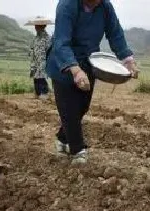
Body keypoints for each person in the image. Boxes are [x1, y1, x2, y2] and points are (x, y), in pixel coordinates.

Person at [46, 0, 139, 164]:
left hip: (89, 62)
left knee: (83, 106)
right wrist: (75, 69)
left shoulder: (105, 6)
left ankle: (62, 138)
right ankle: (78, 150)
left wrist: (127, 59)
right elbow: (61, 42)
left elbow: (115, 33)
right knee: (69, 108)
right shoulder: (67, 5)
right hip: (64, 63)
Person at [28, 17, 52, 100]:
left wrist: (47, 60)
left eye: (38, 26)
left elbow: (50, 50)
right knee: (35, 76)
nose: (36, 27)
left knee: (41, 76)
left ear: (43, 26)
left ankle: (44, 93)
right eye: (36, 26)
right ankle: (37, 93)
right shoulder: (35, 38)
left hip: (43, 60)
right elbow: (32, 49)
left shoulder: (47, 38)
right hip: (35, 60)